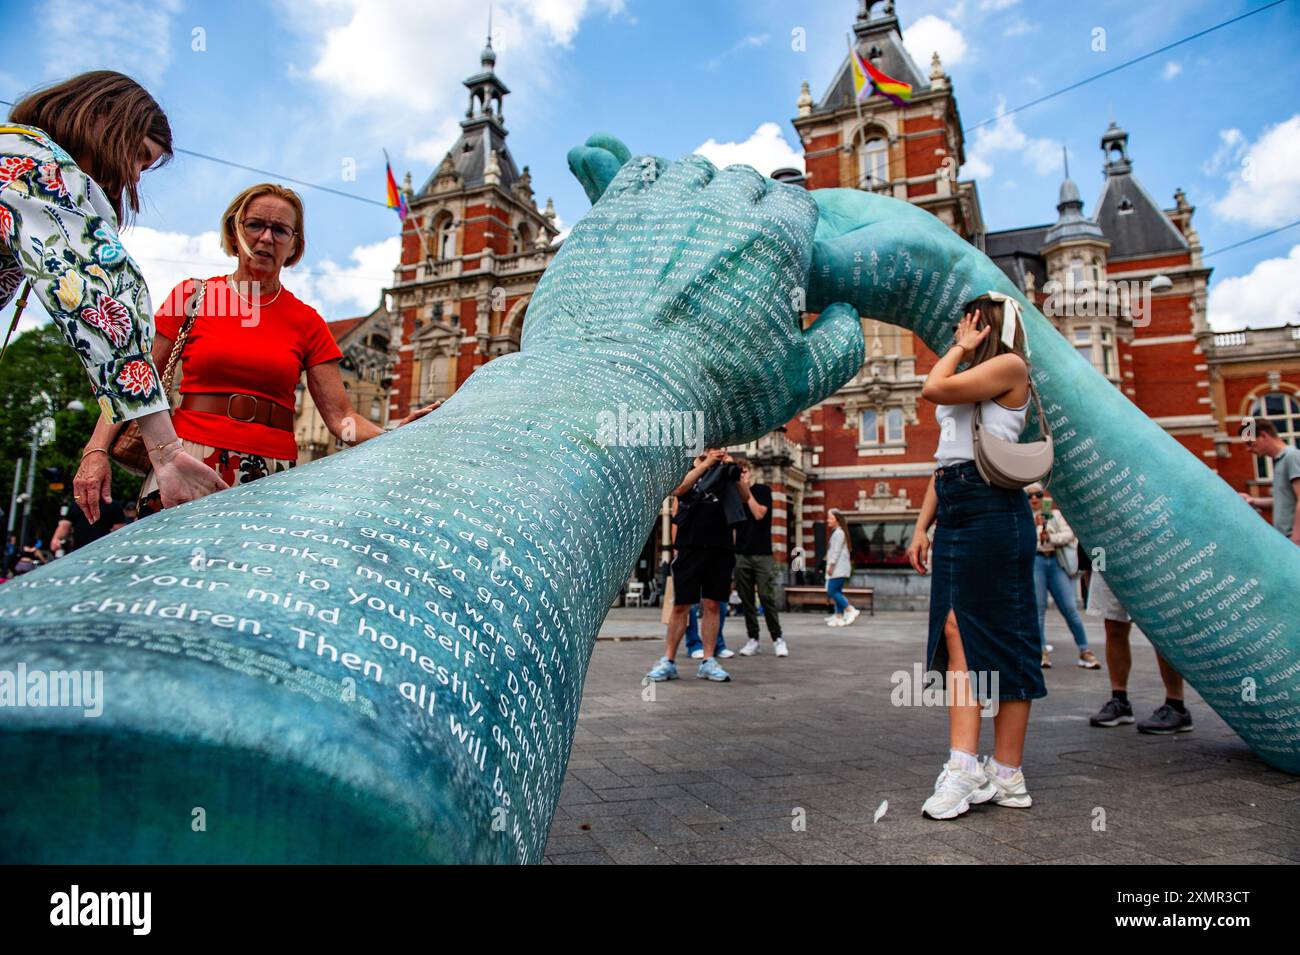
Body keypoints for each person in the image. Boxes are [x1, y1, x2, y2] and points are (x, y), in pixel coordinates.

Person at [74, 182, 440, 519]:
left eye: (280, 230)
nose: (266, 237)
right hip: (187, 457)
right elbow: (137, 378)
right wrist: (95, 451)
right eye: (255, 225)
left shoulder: (308, 321)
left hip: (271, 473)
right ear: (235, 232)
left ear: (294, 245)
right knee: (166, 575)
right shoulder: (193, 296)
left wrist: (396, 435)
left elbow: (340, 419)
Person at [1, 72, 227, 511]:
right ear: (104, 116)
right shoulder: (30, 158)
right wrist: (165, 449)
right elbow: (101, 290)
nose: (134, 177)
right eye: (139, 157)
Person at [906, 295, 1045, 820]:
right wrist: (922, 526)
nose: (962, 330)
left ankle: (1004, 773)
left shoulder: (1010, 367)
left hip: (993, 509)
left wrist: (959, 349)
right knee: (952, 628)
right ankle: (966, 766)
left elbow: (931, 387)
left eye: (971, 323)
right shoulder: (974, 373)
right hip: (958, 499)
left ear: (991, 327)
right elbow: (947, 456)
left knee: (1005, 636)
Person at [645, 449, 750, 683]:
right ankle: (668, 660)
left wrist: (733, 470)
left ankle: (708, 661)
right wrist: (705, 465)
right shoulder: (688, 467)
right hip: (689, 545)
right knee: (681, 605)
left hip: (720, 545)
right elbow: (678, 490)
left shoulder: (726, 470)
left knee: (713, 604)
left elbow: (744, 497)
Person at [1086, 570, 1192, 734]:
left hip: (1150, 554)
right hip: (1107, 555)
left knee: (1163, 622)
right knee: (1113, 622)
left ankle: (1176, 704)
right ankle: (1119, 700)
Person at [1026, 483, 1099, 670]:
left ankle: (1085, 650)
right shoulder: (1025, 517)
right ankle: (1041, 650)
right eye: (1030, 496)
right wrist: (1034, 529)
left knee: (1069, 608)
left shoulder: (1055, 515)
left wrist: (1050, 536)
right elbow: (1022, 540)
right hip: (1037, 561)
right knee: (1038, 609)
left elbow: (1068, 534)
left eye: (1038, 495)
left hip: (1056, 561)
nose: (1034, 499)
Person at [733, 457, 788, 657]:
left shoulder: (763, 491)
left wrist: (745, 489)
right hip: (741, 554)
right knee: (746, 600)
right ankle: (753, 639)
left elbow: (758, 514)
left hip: (762, 554)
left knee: (766, 597)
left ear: (751, 472)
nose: (742, 476)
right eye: (739, 473)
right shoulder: (734, 495)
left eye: (744, 471)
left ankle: (777, 638)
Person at [1239, 418, 1300, 545]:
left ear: (1263, 436)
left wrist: (1296, 537)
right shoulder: (1280, 461)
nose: (1248, 449)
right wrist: (1253, 500)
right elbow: (1285, 500)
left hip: (1294, 541)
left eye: (1250, 443)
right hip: (1287, 540)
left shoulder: (1292, 457)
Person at [50, 497, 127, 555]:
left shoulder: (112, 504)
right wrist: (56, 538)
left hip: (103, 551)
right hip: (78, 551)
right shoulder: (76, 505)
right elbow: (65, 525)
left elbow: (120, 530)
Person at [824, 508, 857, 627]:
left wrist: (831, 565)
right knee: (837, 591)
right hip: (839, 568)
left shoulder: (839, 533)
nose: (828, 520)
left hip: (838, 568)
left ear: (837, 520)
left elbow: (836, 551)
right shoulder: (838, 532)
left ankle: (849, 610)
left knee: (832, 591)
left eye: (830, 518)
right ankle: (838, 616)